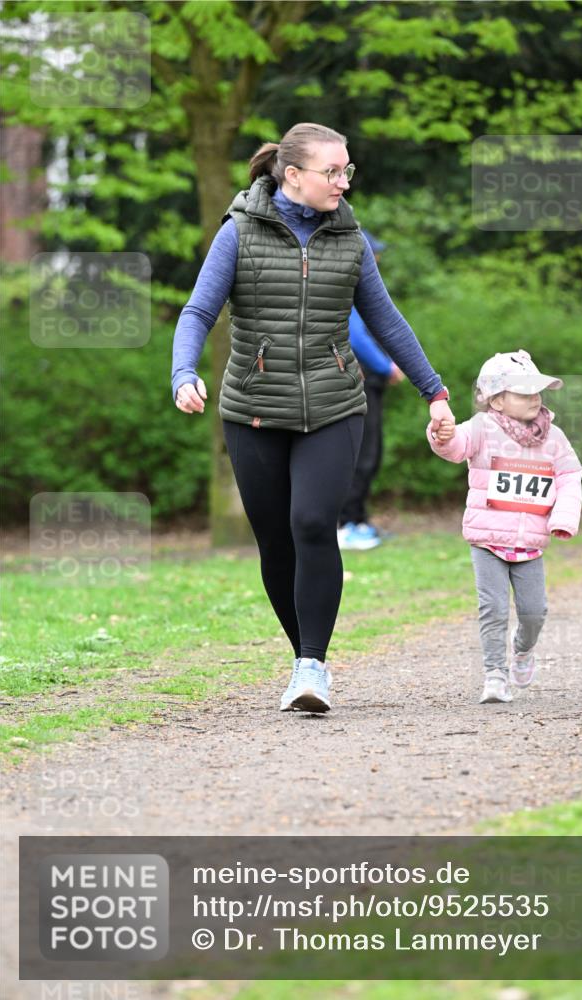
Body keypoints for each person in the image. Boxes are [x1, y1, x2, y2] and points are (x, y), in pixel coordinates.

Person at [171, 122, 453, 714]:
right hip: (253, 409)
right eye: (332, 171)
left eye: (347, 170)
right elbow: (199, 309)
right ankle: (299, 650)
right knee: (275, 541)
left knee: (313, 522)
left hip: (334, 402)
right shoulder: (239, 232)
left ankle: (312, 665)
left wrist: (434, 392)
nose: (343, 182)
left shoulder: (348, 239)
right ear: (292, 175)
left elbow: (387, 321)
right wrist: (184, 372)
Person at [427, 350, 582, 705]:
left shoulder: (554, 437)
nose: (534, 398)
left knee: (534, 611)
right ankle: (495, 675)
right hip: (487, 540)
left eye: (536, 391)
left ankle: (523, 650)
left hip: (530, 543)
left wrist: (563, 518)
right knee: (493, 609)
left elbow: (570, 476)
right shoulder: (482, 428)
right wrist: (442, 433)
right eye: (523, 392)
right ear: (496, 400)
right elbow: (455, 447)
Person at [337, 231, 405, 551]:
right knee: (360, 455)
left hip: (368, 383)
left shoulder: (361, 288)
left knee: (370, 454)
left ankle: (359, 520)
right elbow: (355, 335)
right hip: (358, 383)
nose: (377, 259)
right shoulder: (347, 287)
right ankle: (347, 524)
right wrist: (386, 366)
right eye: (372, 254)